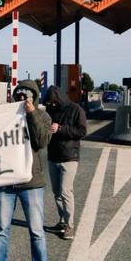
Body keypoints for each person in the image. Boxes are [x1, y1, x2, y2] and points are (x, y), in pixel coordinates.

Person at [0, 80, 53, 261]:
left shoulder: (43, 115)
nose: (22, 100)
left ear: (34, 97)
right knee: (2, 228)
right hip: (6, 183)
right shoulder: (6, 116)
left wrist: (31, 114)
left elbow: (41, 141)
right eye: (19, 96)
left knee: (37, 230)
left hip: (31, 183)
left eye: (27, 96)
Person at [43, 85, 87, 240]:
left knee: (66, 191)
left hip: (69, 157)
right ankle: (62, 221)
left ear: (59, 98)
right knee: (56, 192)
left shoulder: (76, 110)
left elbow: (82, 131)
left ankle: (70, 226)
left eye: (54, 102)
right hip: (53, 156)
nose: (52, 105)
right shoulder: (50, 110)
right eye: (49, 103)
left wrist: (60, 128)